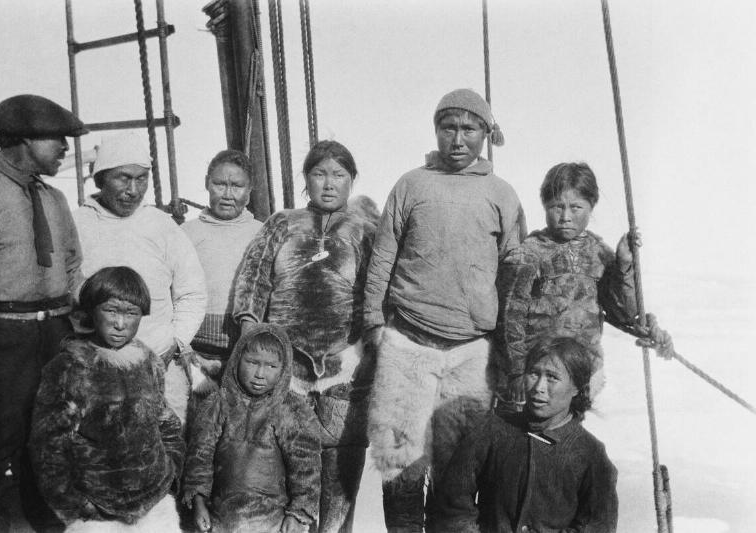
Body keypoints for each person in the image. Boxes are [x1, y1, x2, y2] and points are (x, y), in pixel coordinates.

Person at [363, 88, 526, 531]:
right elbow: (383, 257)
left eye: (469, 128)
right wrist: (375, 323)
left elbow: (513, 270)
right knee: (399, 459)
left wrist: (506, 344)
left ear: (486, 134)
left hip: (471, 351)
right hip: (408, 342)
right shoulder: (411, 185)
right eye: (448, 127)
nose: (458, 139)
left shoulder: (501, 194)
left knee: (458, 466)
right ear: (436, 129)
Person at [0, 94, 87, 532]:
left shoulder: (55, 200)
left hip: (53, 337)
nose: (66, 149)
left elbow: (71, 268)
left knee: (50, 446)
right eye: (58, 140)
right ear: (25, 140)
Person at [233, 140, 377, 532]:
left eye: (339, 175)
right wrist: (253, 337)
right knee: (282, 463)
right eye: (319, 174)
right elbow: (254, 280)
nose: (328, 184)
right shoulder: (281, 224)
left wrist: (364, 354)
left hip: (344, 368)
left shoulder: (365, 232)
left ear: (351, 181)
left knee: (340, 476)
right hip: (286, 369)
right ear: (306, 180)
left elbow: (378, 294)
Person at [494, 162, 674, 412]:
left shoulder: (598, 253)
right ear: (545, 206)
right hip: (535, 373)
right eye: (557, 206)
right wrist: (515, 372)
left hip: (582, 371)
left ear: (591, 207)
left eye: (576, 207)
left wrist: (623, 264)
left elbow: (622, 312)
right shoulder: (529, 254)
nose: (566, 217)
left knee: (568, 436)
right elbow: (509, 315)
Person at [29, 266, 185, 532]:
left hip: (154, 504)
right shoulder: (70, 368)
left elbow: (167, 424)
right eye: (111, 310)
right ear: (92, 310)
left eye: (131, 313)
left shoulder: (148, 361)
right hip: (96, 513)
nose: (120, 323)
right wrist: (77, 509)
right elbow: (48, 450)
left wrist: (170, 473)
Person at [73, 132, 206, 423]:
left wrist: (176, 342)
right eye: (123, 178)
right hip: (96, 366)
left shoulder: (161, 225)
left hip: (160, 362)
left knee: (166, 445)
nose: (133, 190)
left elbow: (192, 291)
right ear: (101, 179)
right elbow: (64, 290)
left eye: (141, 178)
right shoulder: (78, 224)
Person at [428, 337, 618, 533]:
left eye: (552, 377)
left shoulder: (590, 454)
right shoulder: (492, 430)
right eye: (534, 374)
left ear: (576, 388)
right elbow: (453, 500)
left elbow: (597, 526)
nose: (539, 387)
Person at [182, 324, 321, 533]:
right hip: (221, 519)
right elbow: (199, 457)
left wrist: (299, 514)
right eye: (252, 362)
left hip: (273, 522)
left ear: (284, 369)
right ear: (237, 359)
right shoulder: (217, 404)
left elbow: (306, 468)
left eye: (271, 366)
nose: (260, 374)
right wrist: (198, 500)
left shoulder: (293, 410)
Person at [182, 149, 262, 394]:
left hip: (247, 352)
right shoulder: (186, 233)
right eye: (219, 184)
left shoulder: (263, 233)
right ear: (207, 184)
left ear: (249, 191)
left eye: (237, 186)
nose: (228, 194)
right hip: (195, 352)